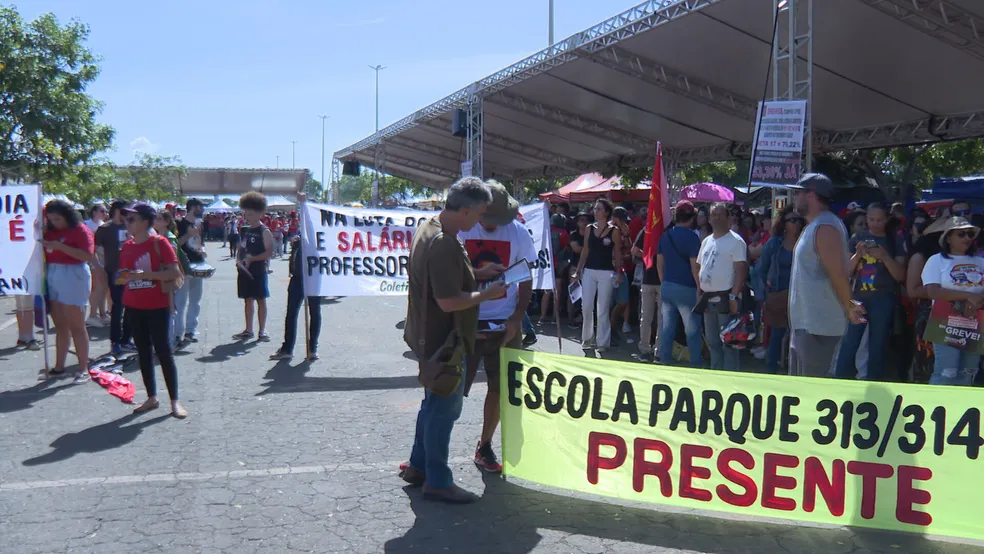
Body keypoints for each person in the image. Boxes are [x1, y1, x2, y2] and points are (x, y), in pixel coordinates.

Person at [399, 177, 506, 504]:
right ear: (465, 209)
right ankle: (438, 480)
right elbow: (448, 301)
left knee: (433, 403)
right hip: (443, 338)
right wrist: (484, 293)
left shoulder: (430, 228)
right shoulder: (445, 241)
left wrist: (476, 274)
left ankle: (419, 467)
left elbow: (440, 281)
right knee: (445, 408)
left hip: (428, 334)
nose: (481, 220)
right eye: (479, 213)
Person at [459, 181, 534, 474]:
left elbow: (526, 279)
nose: (491, 225)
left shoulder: (519, 233)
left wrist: (516, 318)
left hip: (504, 323)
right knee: (447, 389)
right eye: (487, 218)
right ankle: (427, 454)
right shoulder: (463, 229)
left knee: (500, 389)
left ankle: (485, 445)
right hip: (464, 319)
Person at [788, 173, 866, 377]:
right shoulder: (816, 225)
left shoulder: (825, 227)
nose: (794, 197)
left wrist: (849, 305)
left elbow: (838, 274)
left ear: (811, 195)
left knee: (815, 393)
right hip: (808, 324)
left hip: (819, 326)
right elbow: (841, 270)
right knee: (803, 394)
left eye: (798, 192)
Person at [117, 203, 187, 418]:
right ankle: (152, 397)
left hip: (157, 305)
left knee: (163, 352)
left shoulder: (159, 242)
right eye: (126, 219)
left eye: (132, 219)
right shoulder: (127, 246)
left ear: (146, 221)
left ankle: (175, 401)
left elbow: (173, 272)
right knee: (143, 352)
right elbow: (122, 274)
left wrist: (146, 276)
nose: (127, 223)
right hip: (133, 305)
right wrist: (124, 276)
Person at [835, 202, 906, 380]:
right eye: (871, 219)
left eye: (879, 220)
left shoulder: (894, 239)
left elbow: (900, 275)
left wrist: (884, 257)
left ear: (887, 219)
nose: (875, 223)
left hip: (884, 298)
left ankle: (873, 382)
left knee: (878, 344)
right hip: (859, 298)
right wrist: (857, 255)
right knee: (851, 341)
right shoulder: (857, 237)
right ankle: (841, 379)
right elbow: (845, 272)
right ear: (866, 218)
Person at [921, 217, 984, 386]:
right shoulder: (936, 260)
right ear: (948, 238)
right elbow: (932, 291)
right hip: (945, 320)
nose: (967, 238)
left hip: (974, 321)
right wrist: (967, 296)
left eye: (970, 234)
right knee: (946, 371)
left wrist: (978, 299)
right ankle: (935, 409)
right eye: (961, 234)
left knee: (969, 371)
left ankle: (961, 410)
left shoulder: (980, 262)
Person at [41, 200, 95, 383]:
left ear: (67, 216)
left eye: (58, 219)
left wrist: (60, 246)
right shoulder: (49, 230)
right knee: (60, 325)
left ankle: (83, 368)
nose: (55, 222)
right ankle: (59, 366)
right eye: (51, 219)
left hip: (73, 274)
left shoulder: (80, 230)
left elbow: (87, 255)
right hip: (52, 273)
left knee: (77, 325)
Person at [270, 196, 323, 361]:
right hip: (298, 276)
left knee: (314, 312)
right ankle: (288, 348)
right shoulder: (302, 229)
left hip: (313, 276)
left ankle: (312, 348)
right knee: (292, 313)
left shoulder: (320, 230)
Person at [696, 204, 748, 371]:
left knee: (729, 343)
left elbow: (741, 270)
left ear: (728, 217)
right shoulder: (706, 241)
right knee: (712, 342)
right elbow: (699, 265)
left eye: (720, 214)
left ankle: (730, 379)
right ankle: (716, 374)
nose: (716, 218)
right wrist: (699, 288)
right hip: (707, 298)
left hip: (727, 298)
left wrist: (734, 296)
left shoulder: (736, 241)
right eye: (713, 215)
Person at [757, 206, 805, 374]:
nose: (796, 223)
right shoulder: (775, 243)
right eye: (792, 220)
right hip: (778, 294)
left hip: (800, 296)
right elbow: (761, 269)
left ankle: (795, 372)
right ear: (784, 223)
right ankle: (772, 371)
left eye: (799, 220)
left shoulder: (806, 242)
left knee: (799, 337)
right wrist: (765, 293)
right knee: (776, 336)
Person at [656, 201, 703, 366]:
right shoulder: (692, 238)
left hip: (667, 286)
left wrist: (664, 282)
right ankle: (696, 365)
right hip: (687, 289)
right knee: (692, 330)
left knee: (667, 328)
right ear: (691, 218)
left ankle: (664, 361)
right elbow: (694, 267)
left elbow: (659, 264)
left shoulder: (665, 235)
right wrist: (700, 288)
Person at [573, 198, 622, 352]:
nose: (596, 211)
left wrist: (619, 272)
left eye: (599, 209)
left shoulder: (614, 231)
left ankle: (602, 342)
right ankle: (587, 338)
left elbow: (618, 254)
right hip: (589, 271)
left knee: (602, 307)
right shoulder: (589, 228)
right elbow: (585, 250)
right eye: (595, 208)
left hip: (606, 272)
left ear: (606, 212)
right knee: (586, 306)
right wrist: (578, 270)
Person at [94, 200, 136, 356]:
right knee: (117, 307)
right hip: (116, 272)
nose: (127, 215)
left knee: (131, 307)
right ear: (116, 211)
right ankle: (116, 341)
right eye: (124, 211)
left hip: (132, 272)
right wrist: (100, 269)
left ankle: (126, 339)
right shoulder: (105, 229)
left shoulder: (132, 227)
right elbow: (97, 250)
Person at [233, 192, 274, 341]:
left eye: (250, 214)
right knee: (247, 299)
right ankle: (248, 329)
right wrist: (239, 259)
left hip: (258, 270)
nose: (247, 216)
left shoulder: (265, 231)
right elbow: (241, 247)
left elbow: (269, 252)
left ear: (260, 213)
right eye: (246, 213)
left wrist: (253, 259)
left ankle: (262, 331)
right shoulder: (244, 229)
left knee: (261, 300)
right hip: (244, 270)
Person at [175, 198, 207, 346]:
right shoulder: (179, 223)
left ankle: (190, 330)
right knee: (180, 302)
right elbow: (175, 245)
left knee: (196, 300)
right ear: (193, 207)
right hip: (183, 266)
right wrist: (188, 234)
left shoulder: (200, 223)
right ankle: (177, 333)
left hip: (198, 265)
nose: (202, 210)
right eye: (201, 207)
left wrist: (203, 250)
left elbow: (200, 242)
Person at [631, 217, 660, 361]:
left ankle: (647, 349)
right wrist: (648, 256)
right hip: (652, 279)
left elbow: (634, 250)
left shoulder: (650, 230)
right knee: (655, 317)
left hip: (653, 279)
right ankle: (654, 349)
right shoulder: (648, 231)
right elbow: (634, 250)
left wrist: (647, 256)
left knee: (648, 317)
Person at [538, 213, 569, 324]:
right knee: (557, 292)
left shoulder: (545, 232)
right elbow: (564, 247)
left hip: (546, 264)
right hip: (558, 264)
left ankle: (542, 316)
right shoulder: (563, 233)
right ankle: (555, 318)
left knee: (547, 292)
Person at [610, 206, 634, 345]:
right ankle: (610, 331)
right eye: (622, 220)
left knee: (623, 301)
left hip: (621, 270)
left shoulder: (624, 231)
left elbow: (630, 249)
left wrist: (627, 235)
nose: (624, 223)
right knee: (608, 303)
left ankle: (613, 326)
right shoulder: (608, 230)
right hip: (608, 270)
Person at [84, 203, 109, 327]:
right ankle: (92, 315)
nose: (105, 214)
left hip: (103, 259)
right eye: (102, 211)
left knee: (103, 288)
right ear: (94, 212)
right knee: (97, 287)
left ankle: (102, 313)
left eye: (105, 211)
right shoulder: (87, 225)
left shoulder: (103, 225)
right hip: (93, 259)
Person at [566, 211, 590, 328]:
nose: (584, 222)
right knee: (573, 294)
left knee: (587, 295)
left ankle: (583, 319)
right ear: (577, 222)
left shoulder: (591, 234)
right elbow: (577, 249)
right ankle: (570, 319)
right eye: (581, 220)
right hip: (575, 267)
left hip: (589, 267)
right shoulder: (573, 235)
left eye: (586, 220)